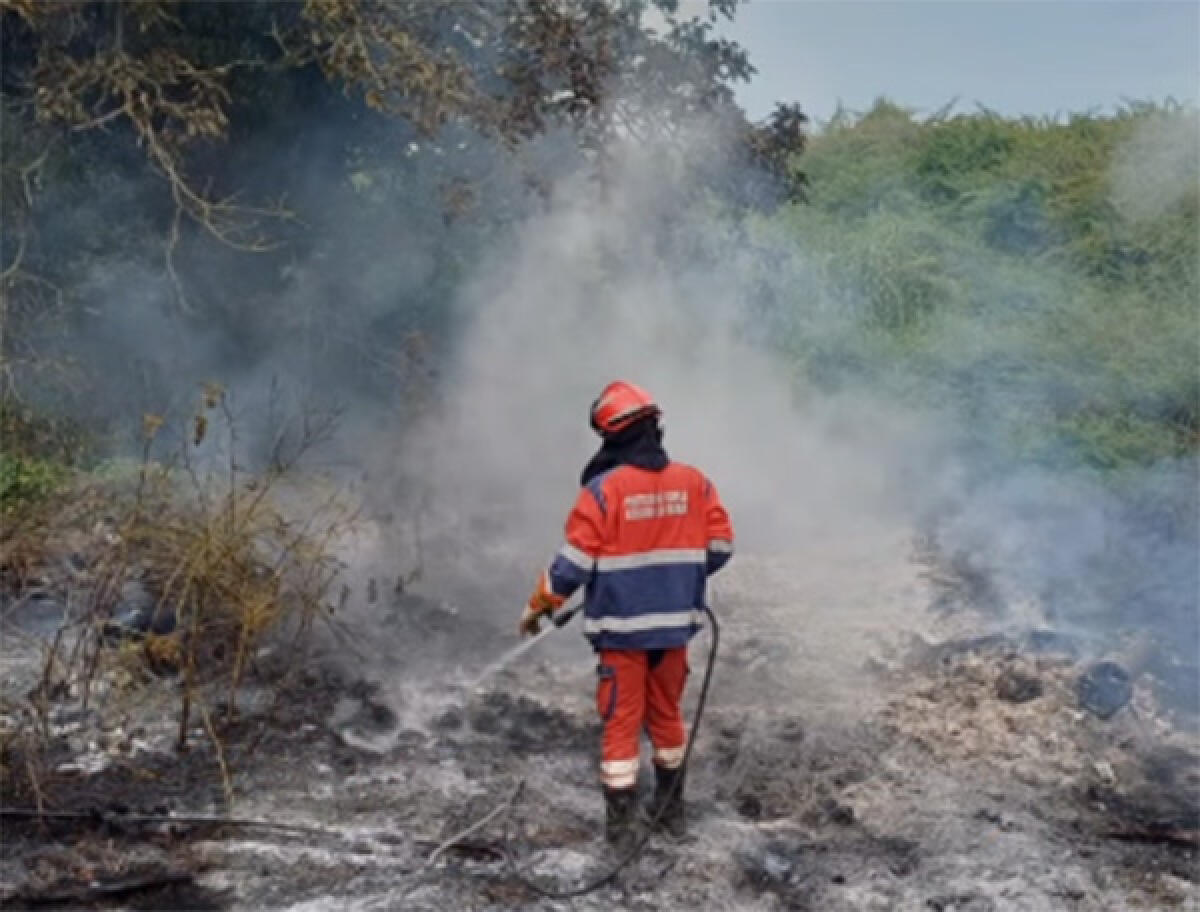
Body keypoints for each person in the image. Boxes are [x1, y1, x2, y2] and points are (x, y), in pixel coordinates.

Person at [519, 380, 734, 848]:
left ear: (611, 436)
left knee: (620, 723)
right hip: (674, 632)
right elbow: (720, 547)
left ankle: (620, 831)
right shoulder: (695, 483)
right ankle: (670, 814)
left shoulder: (603, 491)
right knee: (667, 717)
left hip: (621, 636)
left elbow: (572, 566)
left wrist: (539, 607)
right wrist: (677, 576)